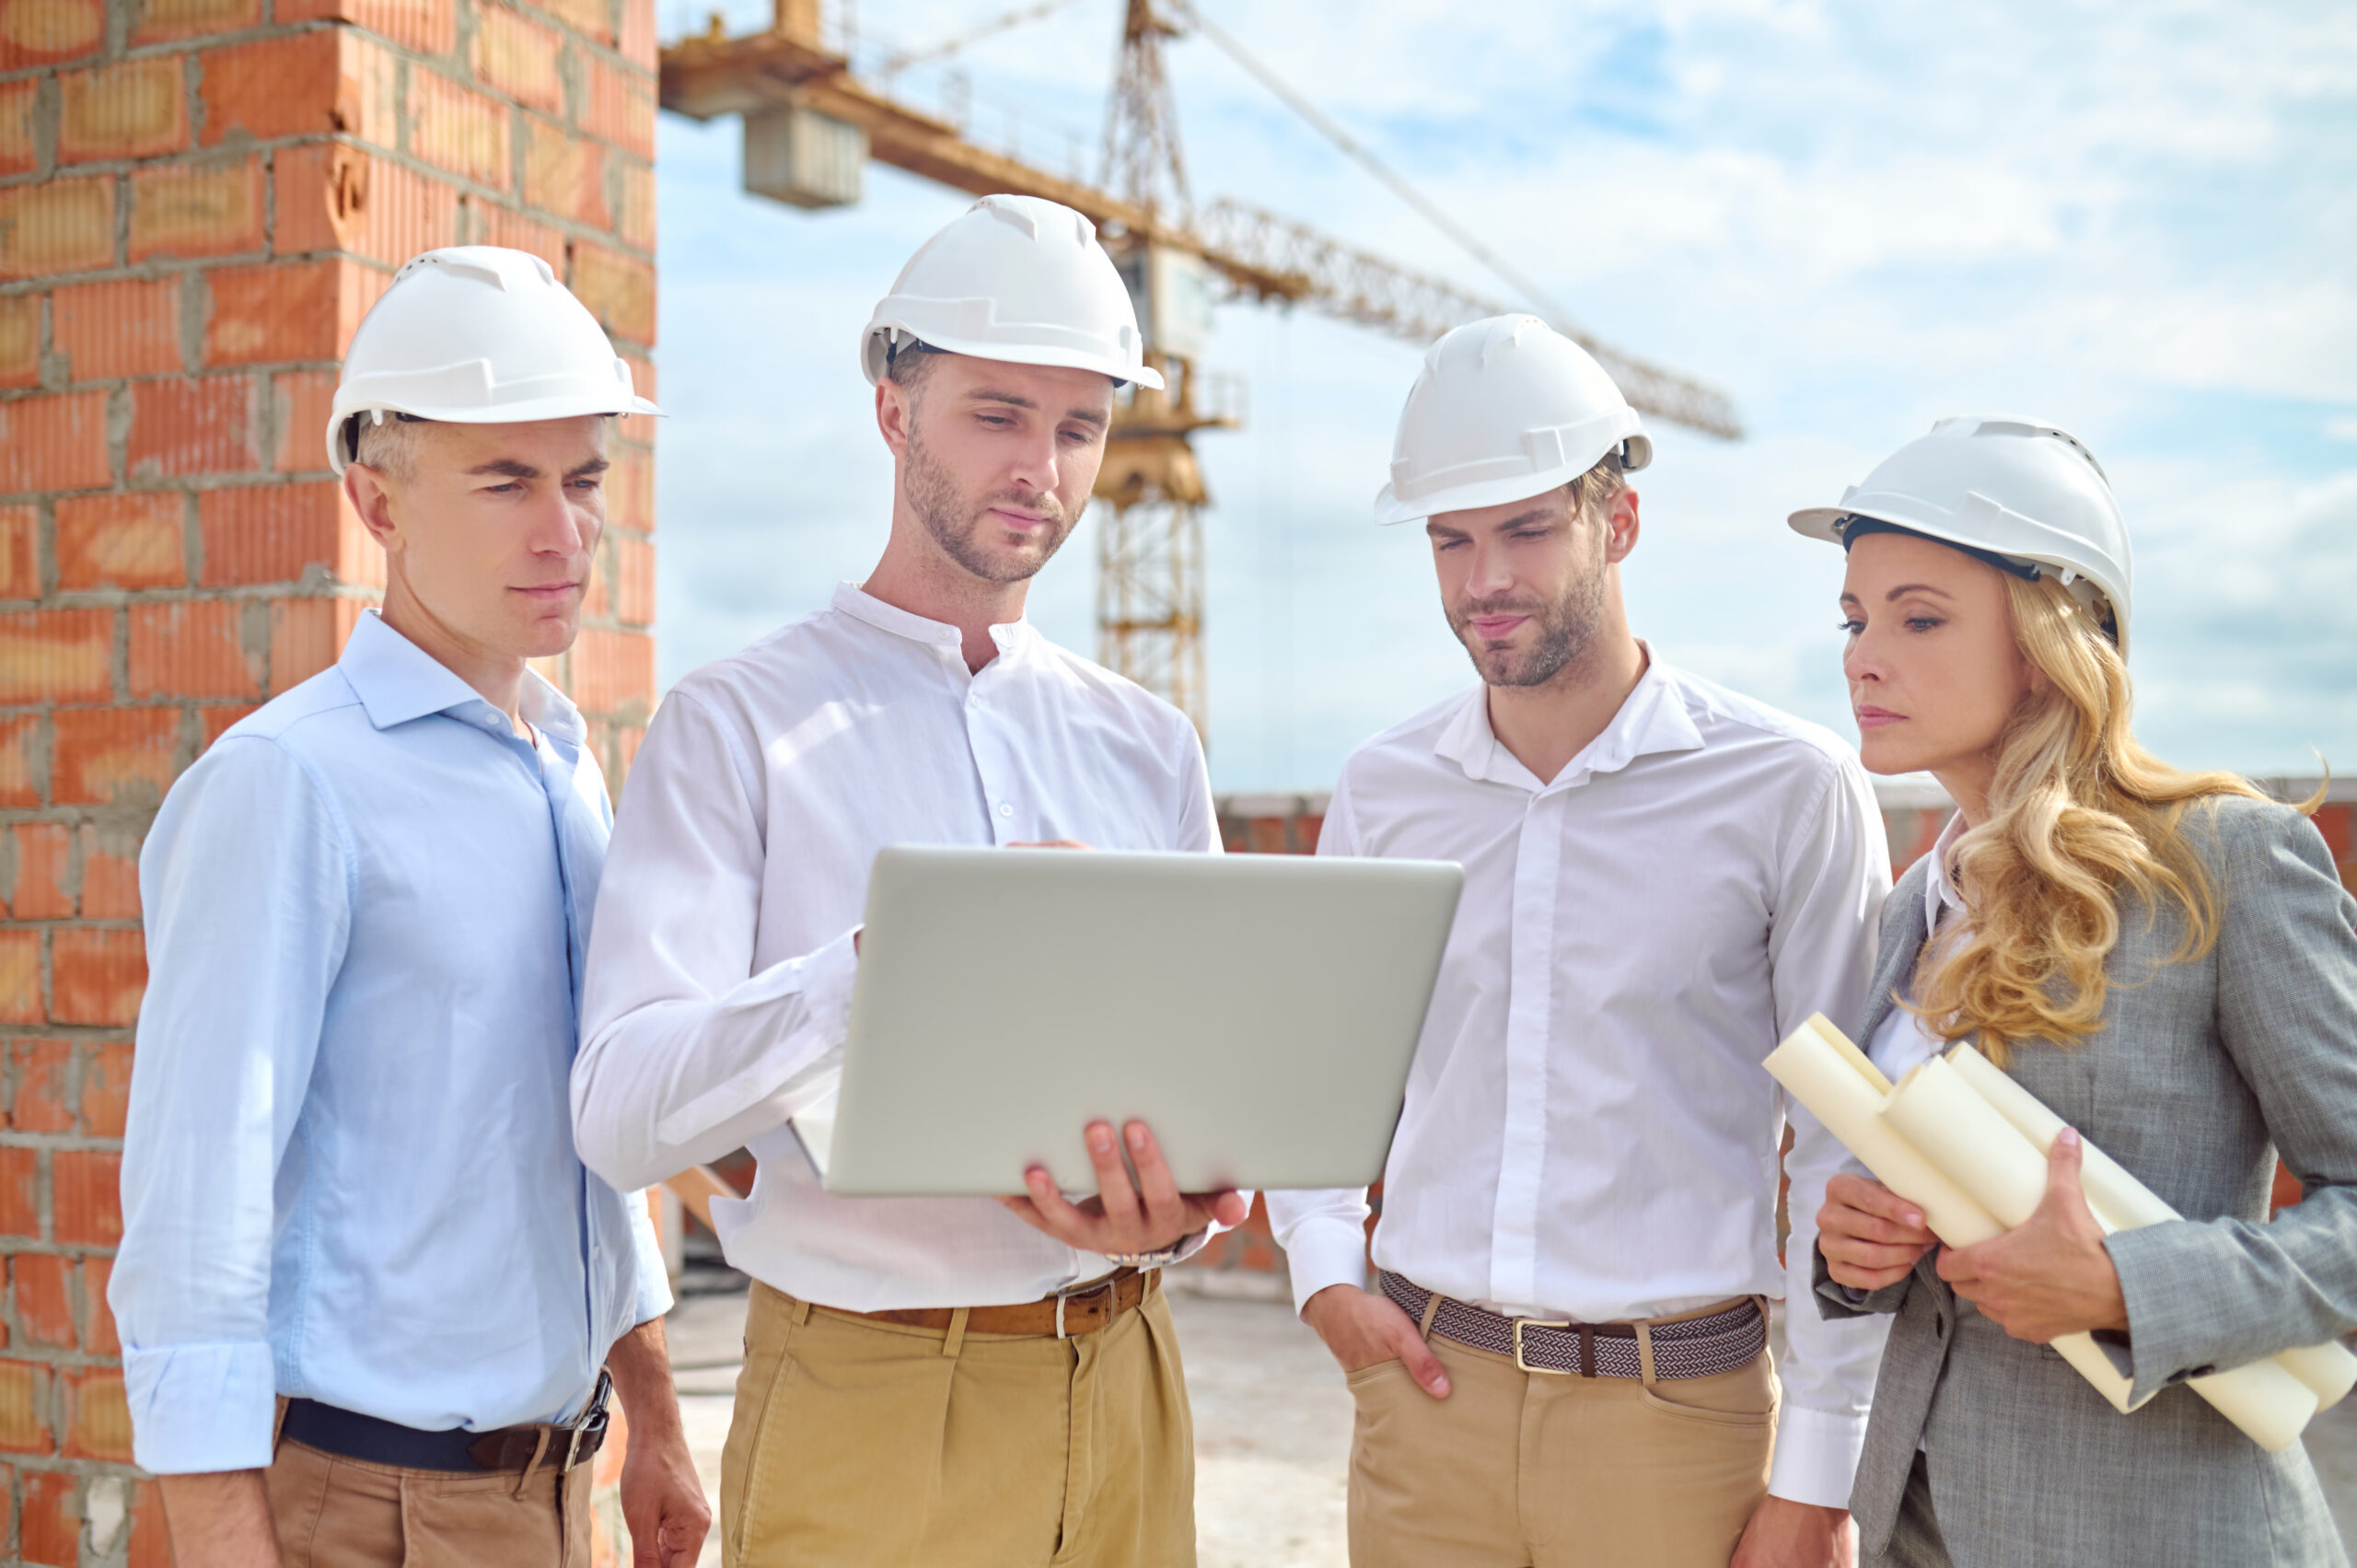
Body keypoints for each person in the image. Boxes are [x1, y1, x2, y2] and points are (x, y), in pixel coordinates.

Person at [570, 193, 1247, 1568]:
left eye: (1079, 427)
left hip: (1132, 1386)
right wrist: (898, 958)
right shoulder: (736, 724)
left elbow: (1203, 1096)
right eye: (996, 415)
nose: (1042, 470)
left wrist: (1181, 1213)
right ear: (892, 405)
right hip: (869, 1398)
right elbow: (621, 1108)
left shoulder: (1148, 744)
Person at [1266, 314, 1895, 1568]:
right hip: (1425, 1401)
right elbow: (1319, 1068)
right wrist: (1325, 1268)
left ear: (1621, 522)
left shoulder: (1789, 786)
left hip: (1680, 1424)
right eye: (1452, 539)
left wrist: (1820, 1473)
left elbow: (1847, 1146)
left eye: (1526, 528)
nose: (1483, 579)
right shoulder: (1385, 788)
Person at [112, 247, 708, 1568]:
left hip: (558, 1485)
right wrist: (219, 1538)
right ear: (374, 499)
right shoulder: (288, 783)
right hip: (370, 1506)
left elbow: (580, 1133)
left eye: (584, 479)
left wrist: (652, 1408)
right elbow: (194, 1205)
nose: (563, 530)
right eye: (506, 482)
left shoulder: (563, 765)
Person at [1802, 415, 2357, 1568]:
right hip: (1915, 1531)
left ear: (2052, 635)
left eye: (1919, 616)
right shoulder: (1912, 907)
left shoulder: (2225, 862)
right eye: (1855, 618)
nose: (1863, 653)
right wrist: (1849, 1253)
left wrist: (2122, 1284)